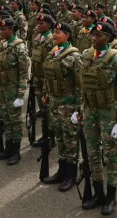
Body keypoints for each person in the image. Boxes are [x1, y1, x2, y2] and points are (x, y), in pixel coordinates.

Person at [80, 22, 117, 216]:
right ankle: (98, 191)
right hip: (90, 110)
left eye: (98, 35)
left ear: (108, 38)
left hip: (108, 112)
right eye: (92, 35)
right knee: (92, 152)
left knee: (110, 155)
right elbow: (81, 84)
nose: (94, 38)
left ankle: (111, 195)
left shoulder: (116, 59)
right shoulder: (85, 55)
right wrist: (80, 108)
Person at [41, 22, 83, 191]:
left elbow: (81, 86)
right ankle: (61, 170)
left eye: (58, 32)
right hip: (54, 103)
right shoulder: (53, 53)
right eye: (54, 32)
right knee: (59, 138)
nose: (54, 35)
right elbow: (48, 77)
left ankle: (71, 175)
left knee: (70, 140)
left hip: (68, 106)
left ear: (67, 35)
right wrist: (46, 93)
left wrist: (79, 110)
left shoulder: (74, 57)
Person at [0, 17, 30, 165]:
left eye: (3, 30)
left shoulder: (19, 47)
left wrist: (21, 94)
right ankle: (8, 146)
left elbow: (23, 73)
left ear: (11, 30)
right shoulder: (1, 45)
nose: (0, 32)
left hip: (13, 89)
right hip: (1, 87)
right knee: (5, 118)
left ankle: (16, 150)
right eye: (0, 29)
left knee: (15, 120)